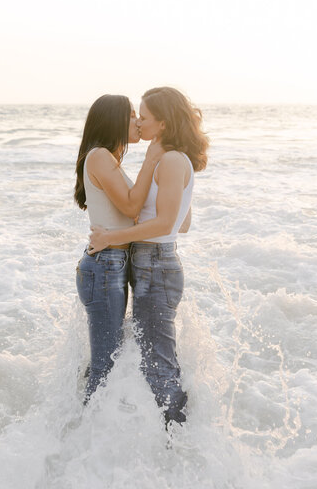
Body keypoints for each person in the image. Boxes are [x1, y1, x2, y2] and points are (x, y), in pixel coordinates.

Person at [88, 87, 209, 426]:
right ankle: (171, 437)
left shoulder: (170, 160)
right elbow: (182, 222)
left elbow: (168, 223)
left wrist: (112, 236)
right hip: (154, 263)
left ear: (164, 123)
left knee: (159, 365)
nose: (139, 122)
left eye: (144, 116)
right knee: (153, 360)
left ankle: (178, 441)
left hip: (156, 265)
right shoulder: (171, 160)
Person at [74, 94, 164, 403]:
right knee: (104, 366)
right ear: (113, 120)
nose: (138, 121)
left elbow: (132, 212)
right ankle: (84, 438)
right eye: (130, 115)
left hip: (113, 263)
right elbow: (130, 205)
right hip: (104, 266)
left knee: (107, 362)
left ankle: (85, 427)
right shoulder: (99, 155)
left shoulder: (108, 159)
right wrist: (151, 160)